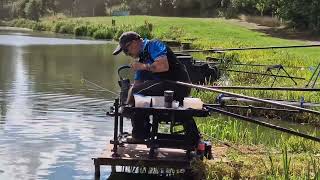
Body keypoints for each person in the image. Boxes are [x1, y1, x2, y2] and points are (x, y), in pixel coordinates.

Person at [113, 31, 192, 140]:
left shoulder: (154, 44)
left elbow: (163, 66)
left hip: (178, 84)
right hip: (163, 86)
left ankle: (138, 135)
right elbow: (137, 84)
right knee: (135, 94)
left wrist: (143, 67)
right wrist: (126, 102)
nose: (127, 54)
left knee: (136, 92)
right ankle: (141, 133)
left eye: (126, 50)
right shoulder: (142, 59)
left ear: (135, 42)